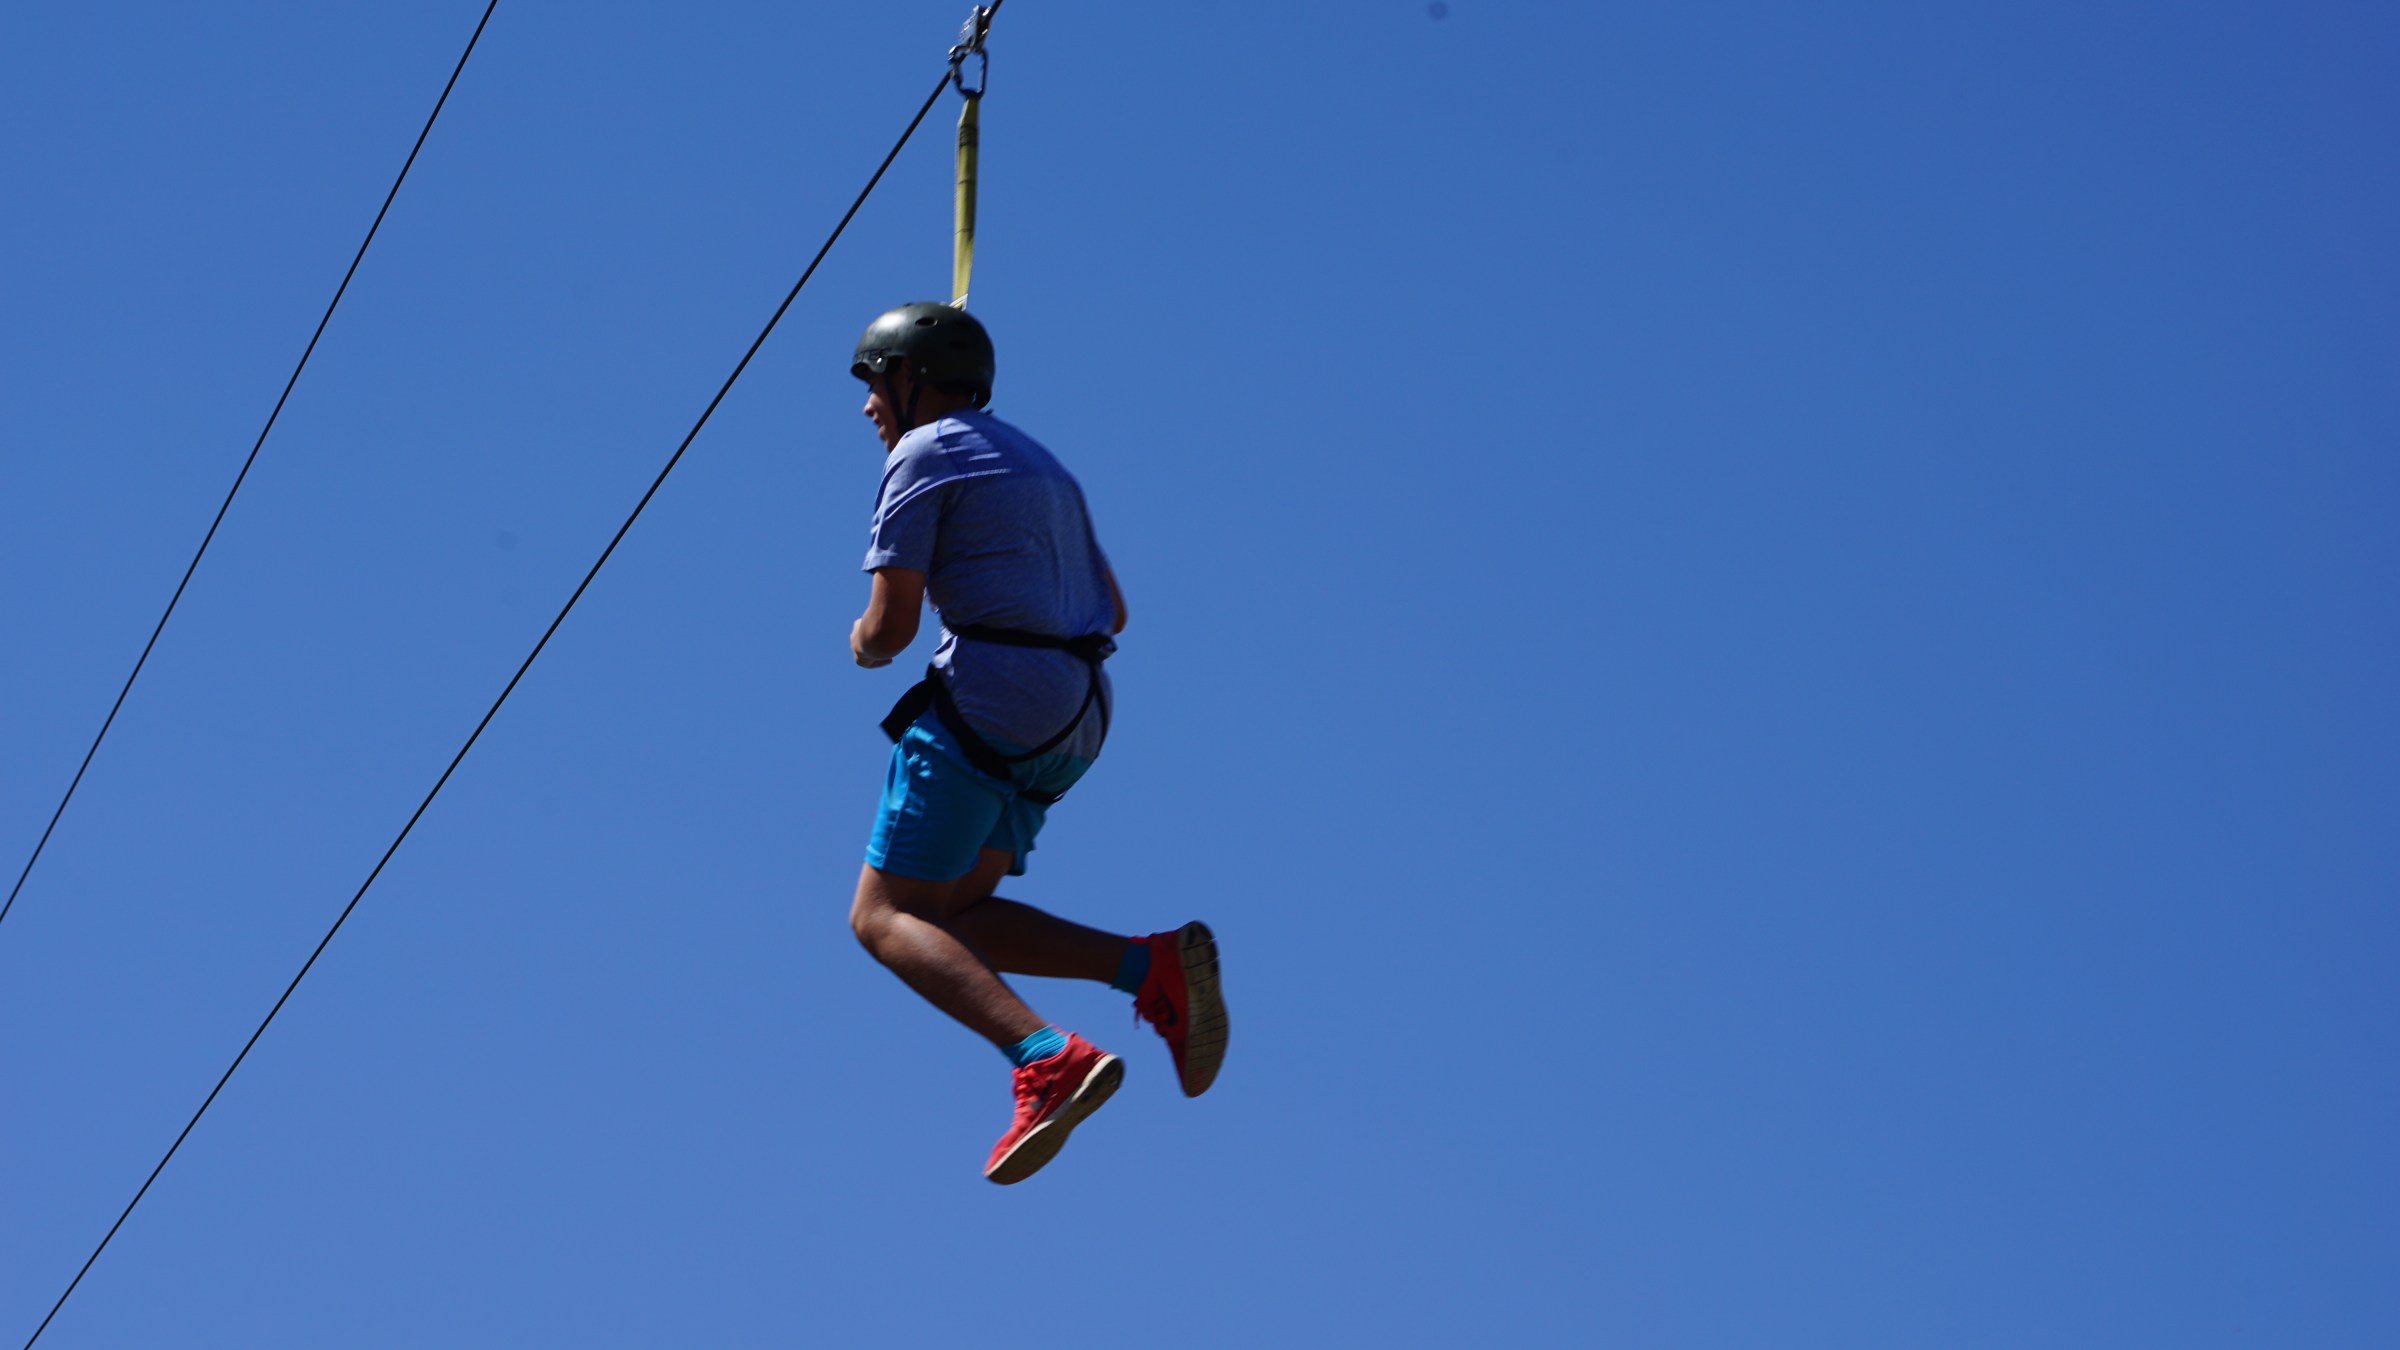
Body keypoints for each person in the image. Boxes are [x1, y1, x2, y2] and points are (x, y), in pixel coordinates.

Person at [842, 302, 1228, 1184]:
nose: (868, 405)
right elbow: (1114, 610)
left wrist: (860, 643)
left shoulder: (922, 452)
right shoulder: (1043, 463)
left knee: (882, 917)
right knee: (952, 917)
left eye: (874, 381)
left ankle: (1044, 1058)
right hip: (1078, 714)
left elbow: (890, 629)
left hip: (993, 700)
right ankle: (1148, 967)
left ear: (912, 378)